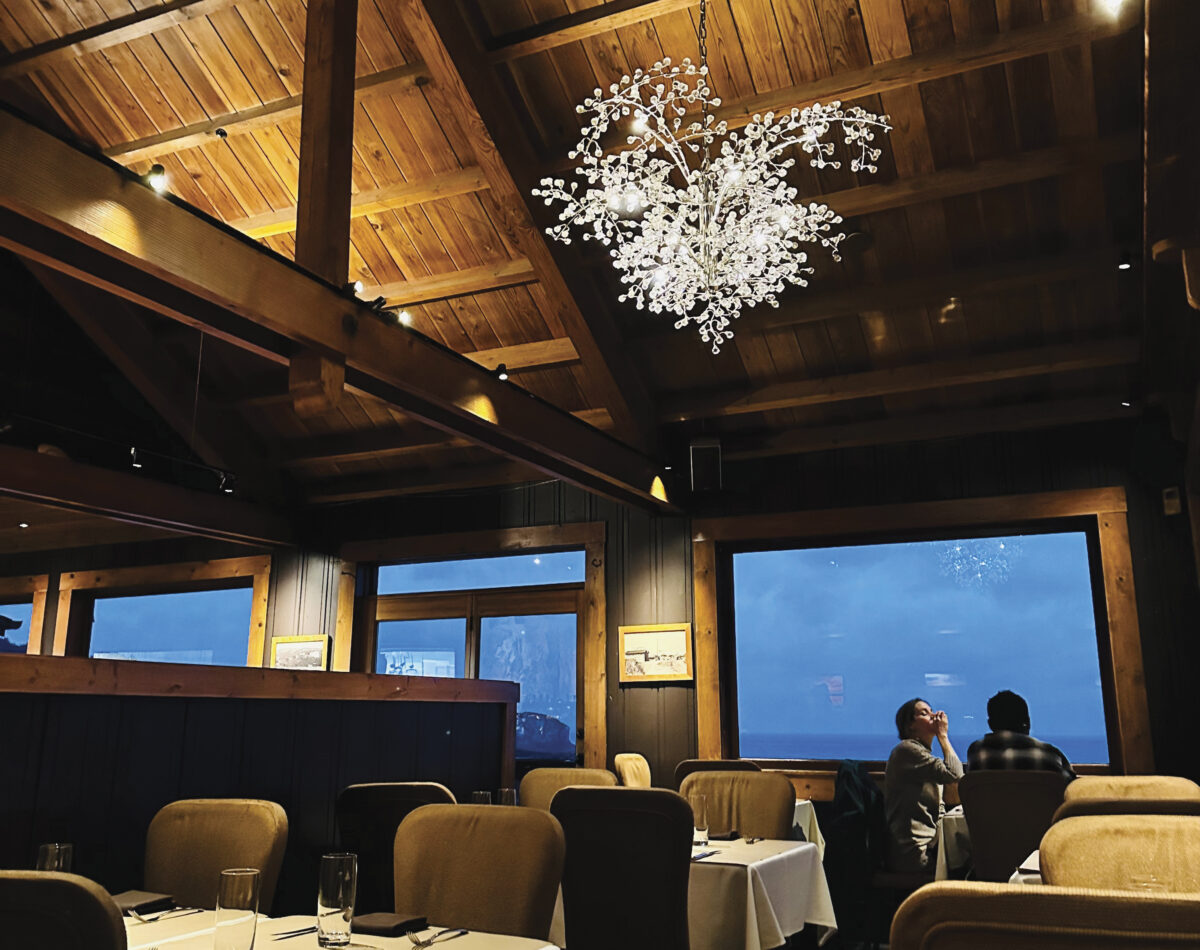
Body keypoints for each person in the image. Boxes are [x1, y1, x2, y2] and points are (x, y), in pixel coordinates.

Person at [885, 697, 964, 872]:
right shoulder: (907, 751)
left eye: (931, 710)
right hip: (914, 851)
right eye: (924, 713)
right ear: (910, 726)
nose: (934, 715)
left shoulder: (921, 755)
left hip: (931, 845)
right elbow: (955, 774)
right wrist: (943, 736)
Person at [967, 690, 1076, 780]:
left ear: (990, 724)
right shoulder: (1050, 756)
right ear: (1027, 722)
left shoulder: (977, 753)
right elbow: (1070, 788)